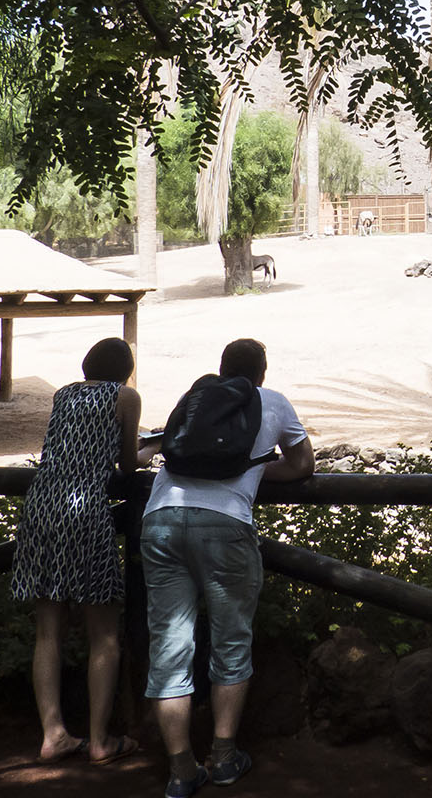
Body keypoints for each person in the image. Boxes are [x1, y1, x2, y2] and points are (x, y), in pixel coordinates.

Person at [139, 338, 314, 794]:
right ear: (262, 372)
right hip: (225, 526)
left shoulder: (195, 399)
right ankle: (223, 758)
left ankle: (180, 771)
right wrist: (256, 472)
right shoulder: (271, 402)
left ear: (221, 368)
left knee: (169, 645)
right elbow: (302, 464)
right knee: (230, 639)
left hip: (159, 521)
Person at [10, 337, 147, 764]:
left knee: (48, 630)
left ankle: (54, 734)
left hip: (42, 502)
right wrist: (152, 448)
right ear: (125, 369)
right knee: (103, 631)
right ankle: (100, 740)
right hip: (84, 506)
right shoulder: (126, 396)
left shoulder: (64, 393)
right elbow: (127, 462)